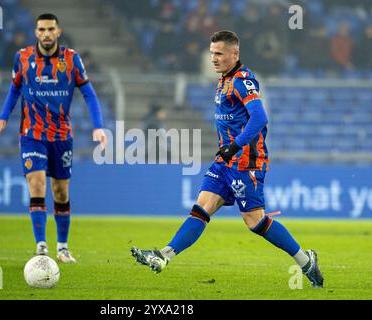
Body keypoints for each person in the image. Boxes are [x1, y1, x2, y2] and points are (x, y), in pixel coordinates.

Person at [131, 30, 324, 288]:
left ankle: (305, 260)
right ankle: (164, 256)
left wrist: (234, 147)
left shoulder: (243, 81)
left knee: (255, 221)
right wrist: (228, 151)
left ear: (235, 54)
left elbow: (260, 118)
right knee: (201, 209)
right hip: (225, 163)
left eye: (219, 53)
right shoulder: (223, 79)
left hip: (246, 162)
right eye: (212, 53)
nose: (214, 58)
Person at [0, 13, 107, 264]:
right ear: (36, 32)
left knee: (60, 192)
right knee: (37, 184)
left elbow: (90, 94)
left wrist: (98, 127)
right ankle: (41, 245)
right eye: (42, 29)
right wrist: (3, 116)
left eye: (51, 29)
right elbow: (15, 87)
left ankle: (62, 247)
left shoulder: (71, 59)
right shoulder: (23, 57)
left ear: (58, 31)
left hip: (61, 136)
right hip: (32, 135)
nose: (47, 33)